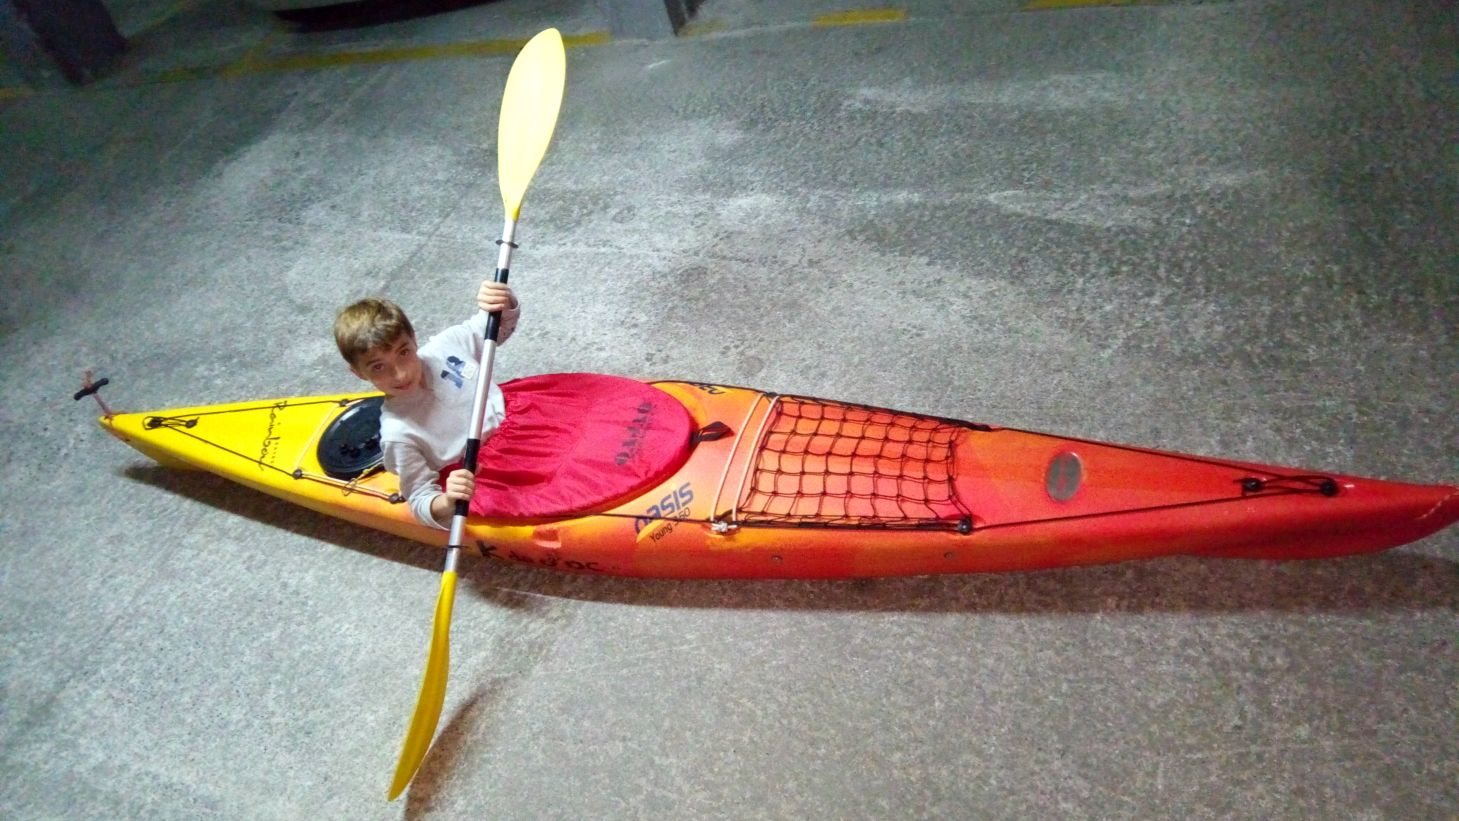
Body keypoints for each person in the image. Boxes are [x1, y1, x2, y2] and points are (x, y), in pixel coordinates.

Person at [333, 281, 520, 529]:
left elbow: (495, 327)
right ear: (358, 373)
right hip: (487, 471)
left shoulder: (445, 346)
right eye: (378, 367)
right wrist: (448, 500)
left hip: (520, 417)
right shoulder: (398, 435)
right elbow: (420, 499)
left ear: (413, 339)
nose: (400, 374)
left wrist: (502, 300)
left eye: (404, 352)